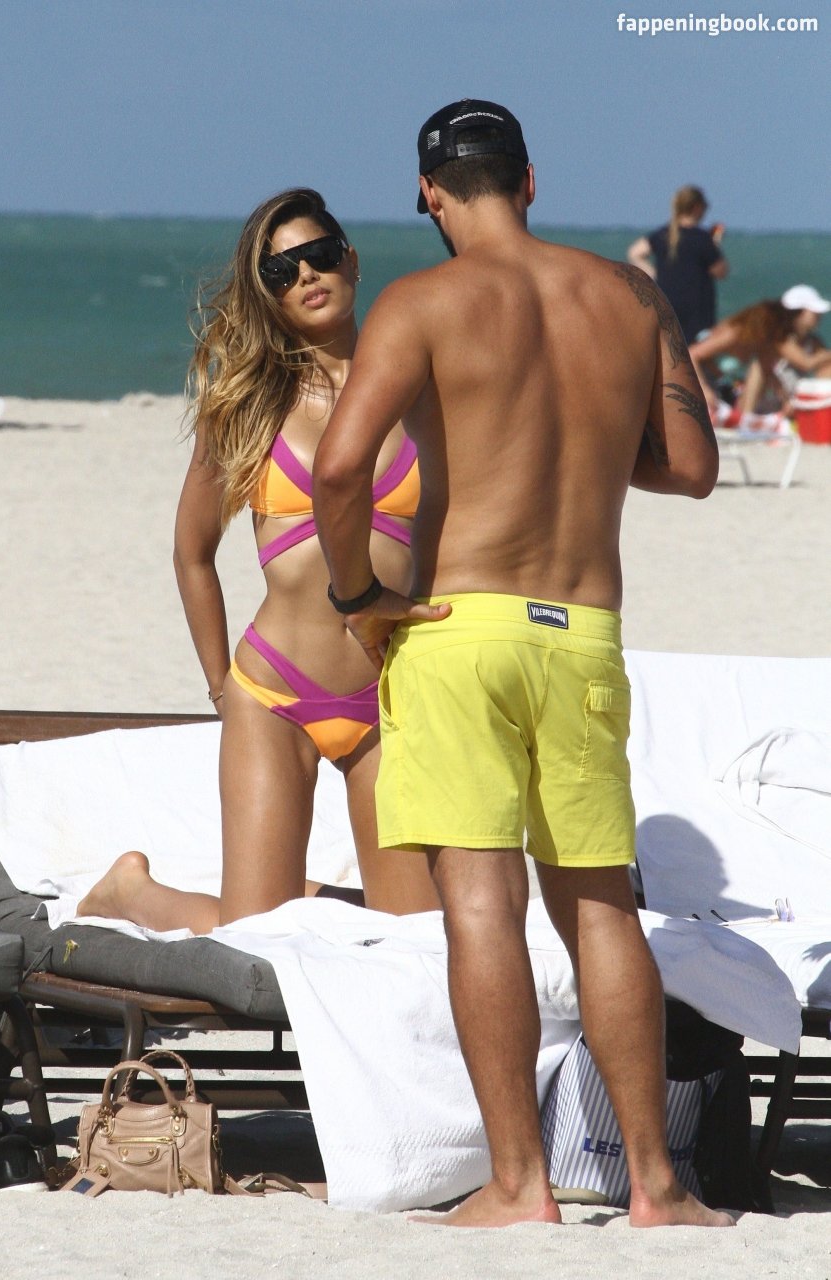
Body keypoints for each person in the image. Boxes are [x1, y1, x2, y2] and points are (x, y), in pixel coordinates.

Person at [314, 99, 733, 1230]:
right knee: (601, 906)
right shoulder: (630, 296)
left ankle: (517, 1184)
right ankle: (655, 1187)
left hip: (459, 626)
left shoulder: (421, 302)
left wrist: (358, 597)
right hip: (581, 629)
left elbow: (339, 470)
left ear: (428, 193)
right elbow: (692, 466)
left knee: (483, 906)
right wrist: (583, 443)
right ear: (530, 180)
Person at [79, 188, 439, 933]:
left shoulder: (420, 392)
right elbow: (192, 553)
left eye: (319, 255)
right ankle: (130, 893)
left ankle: (291, 893)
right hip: (275, 694)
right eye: (280, 270)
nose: (305, 274)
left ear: (351, 260)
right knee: (256, 942)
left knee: (416, 938)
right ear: (267, 294)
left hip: (391, 695)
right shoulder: (250, 406)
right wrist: (222, 687)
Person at [689, 292, 831, 422]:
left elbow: (770, 374)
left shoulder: (761, 344)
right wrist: (703, 390)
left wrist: (789, 400)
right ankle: (745, 420)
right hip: (703, 388)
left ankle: (746, 419)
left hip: (728, 392)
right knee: (758, 367)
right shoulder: (733, 333)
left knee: (762, 366)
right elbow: (691, 354)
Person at [627, 185, 728, 342]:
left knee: (670, 349)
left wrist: (656, 274)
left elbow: (635, 252)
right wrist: (715, 244)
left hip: (666, 303)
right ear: (697, 208)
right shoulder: (702, 239)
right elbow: (720, 271)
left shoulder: (663, 234)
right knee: (696, 352)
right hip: (697, 310)